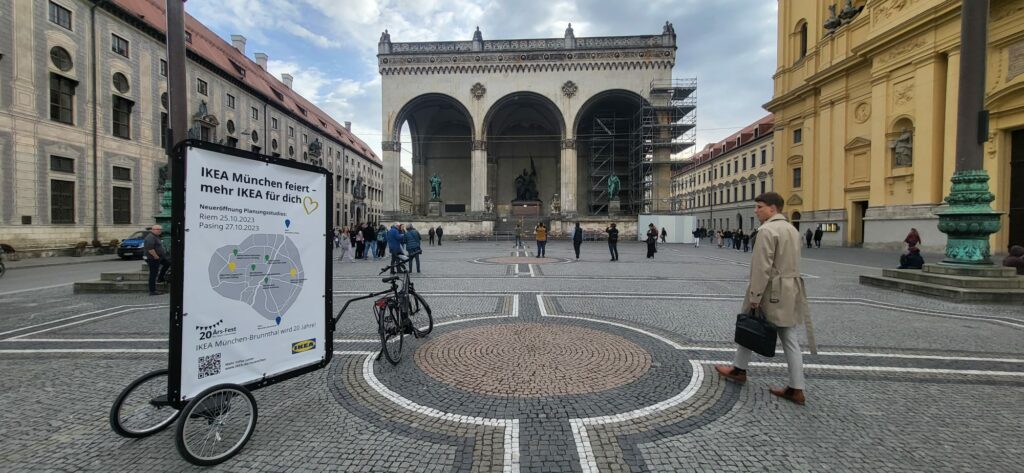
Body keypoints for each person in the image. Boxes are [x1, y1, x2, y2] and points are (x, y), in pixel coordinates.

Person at [715, 192, 814, 406]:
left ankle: (740, 370)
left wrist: (755, 296)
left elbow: (762, 268)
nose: (756, 210)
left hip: (771, 289)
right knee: (789, 338)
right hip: (791, 288)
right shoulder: (791, 229)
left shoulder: (767, 230)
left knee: (749, 324)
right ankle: (796, 386)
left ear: (772, 208)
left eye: (759, 206)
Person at [144, 224, 170, 296]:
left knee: (167, 263)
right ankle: (152, 291)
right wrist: (156, 256)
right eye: (158, 229)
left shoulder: (156, 236)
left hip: (159, 257)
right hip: (153, 258)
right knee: (153, 274)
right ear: (153, 230)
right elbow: (150, 249)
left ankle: (160, 278)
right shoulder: (150, 237)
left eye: (160, 229)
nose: (160, 231)